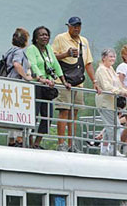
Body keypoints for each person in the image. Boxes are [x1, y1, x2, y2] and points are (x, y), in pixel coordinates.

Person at [52, 16, 98, 152]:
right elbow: (52, 57)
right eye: (74, 26)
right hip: (63, 80)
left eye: (78, 26)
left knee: (74, 113)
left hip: (78, 81)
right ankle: (61, 143)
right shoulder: (60, 38)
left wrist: (94, 81)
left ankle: (72, 144)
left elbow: (88, 63)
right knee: (64, 110)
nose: (76, 28)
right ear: (68, 26)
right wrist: (66, 54)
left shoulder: (84, 41)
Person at [25, 26, 71, 149]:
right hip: (37, 84)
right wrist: (41, 78)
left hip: (48, 85)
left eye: (46, 35)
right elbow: (33, 65)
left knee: (48, 116)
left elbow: (55, 64)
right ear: (35, 38)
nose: (44, 37)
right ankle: (29, 142)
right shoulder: (32, 49)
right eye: (41, 35)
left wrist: (63, 81)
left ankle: (37, 142)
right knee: (33, 115)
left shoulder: (49, 49)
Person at [95, 48, 127, 156]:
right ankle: (113, 149)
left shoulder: (110, 69)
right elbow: (107, 87)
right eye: (110, 56)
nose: (113, 58)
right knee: (114, 126)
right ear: (104, 58)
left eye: (114, 56)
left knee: (110, 126)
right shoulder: (102, 70)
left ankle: (104, 150)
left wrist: (125, 91)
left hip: (111, 103)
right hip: (105, 102)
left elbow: (118, 83)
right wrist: (121, 92)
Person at [2, 28, 33, 147]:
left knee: (11, 111)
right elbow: (16, 64)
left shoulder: (10, 50)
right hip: (17, 84)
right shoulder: (19, 52)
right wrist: (26, 77)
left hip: (9, 83)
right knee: (20, 111)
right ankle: (19, 139)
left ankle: (11, 139)